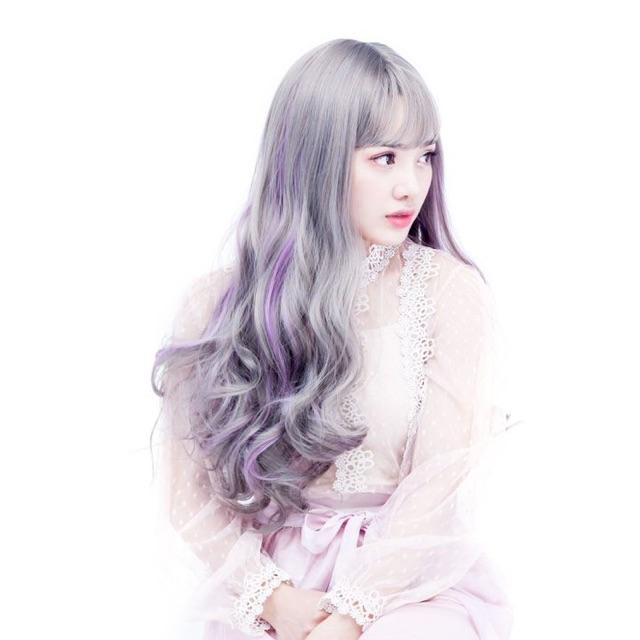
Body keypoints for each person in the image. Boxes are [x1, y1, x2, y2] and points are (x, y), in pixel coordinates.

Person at [150, 38, 516, 639]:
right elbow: (187, 495)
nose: (412, 185)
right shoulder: (216, 304)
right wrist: (274, 601)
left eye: (424, 156)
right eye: (384, 158)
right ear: (316, 160)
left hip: (410, 579)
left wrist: (351, 614)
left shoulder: (448, 292)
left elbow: (438, 482)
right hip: (274, 584)